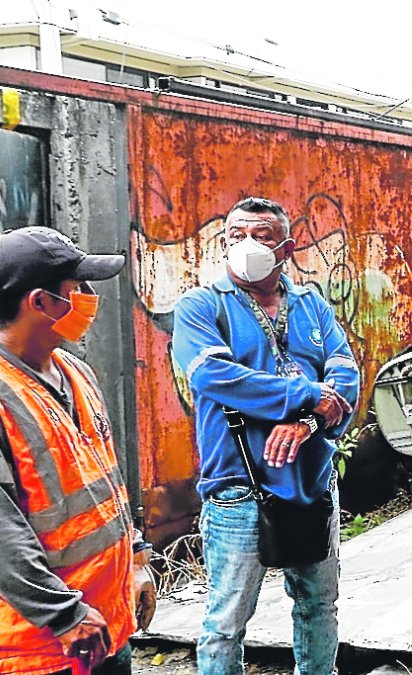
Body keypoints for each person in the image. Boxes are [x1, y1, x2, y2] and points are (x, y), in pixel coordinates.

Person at [172, 197, 360, 675]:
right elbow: (214, 375)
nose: (248, 245)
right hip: (239, 488)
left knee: (319, 607)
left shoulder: (311, 305)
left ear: (287, 248)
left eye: (262, 236)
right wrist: (306, 394)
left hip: (313, 483)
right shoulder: (202, 307)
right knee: (227, 621)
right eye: (237, 236)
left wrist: (308, 422)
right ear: (223, 243)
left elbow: (345, 376)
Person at [0, 227, 156, 674]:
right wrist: (65, 616)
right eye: (76, 288)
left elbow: (107, 481)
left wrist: (136, 560)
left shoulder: (73, 370)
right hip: (41, 648)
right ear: (39, 302)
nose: (86, 298)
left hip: (104, 626)